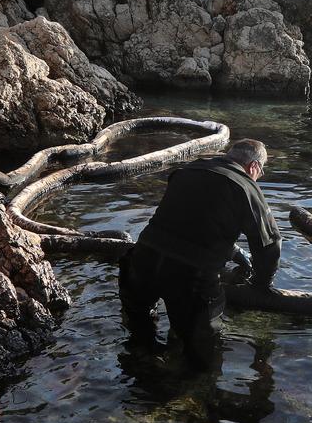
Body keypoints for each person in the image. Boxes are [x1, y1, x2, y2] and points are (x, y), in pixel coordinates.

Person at [120, 138, 281, 363]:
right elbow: (270, 246)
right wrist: (262, 284)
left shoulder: (187, 171)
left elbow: (191, 222)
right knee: (202, 352)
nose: (258, 178)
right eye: (260, 173)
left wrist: (234, 253)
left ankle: (140, 371)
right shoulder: (246, 186)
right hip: (190, 278)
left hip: (141, 262)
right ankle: (189, 392)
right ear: (254, 166)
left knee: (139, 331)